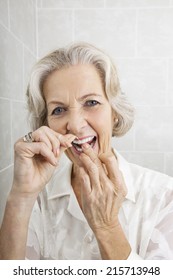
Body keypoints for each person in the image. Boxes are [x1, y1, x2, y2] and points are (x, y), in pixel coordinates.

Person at [0, 42, 173, 260]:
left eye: (91, 102)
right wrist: (21, 196)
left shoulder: (165, 196)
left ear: (115, 113)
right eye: (58, 110)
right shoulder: (37, 200)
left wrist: (107, 227)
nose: (74, 124)